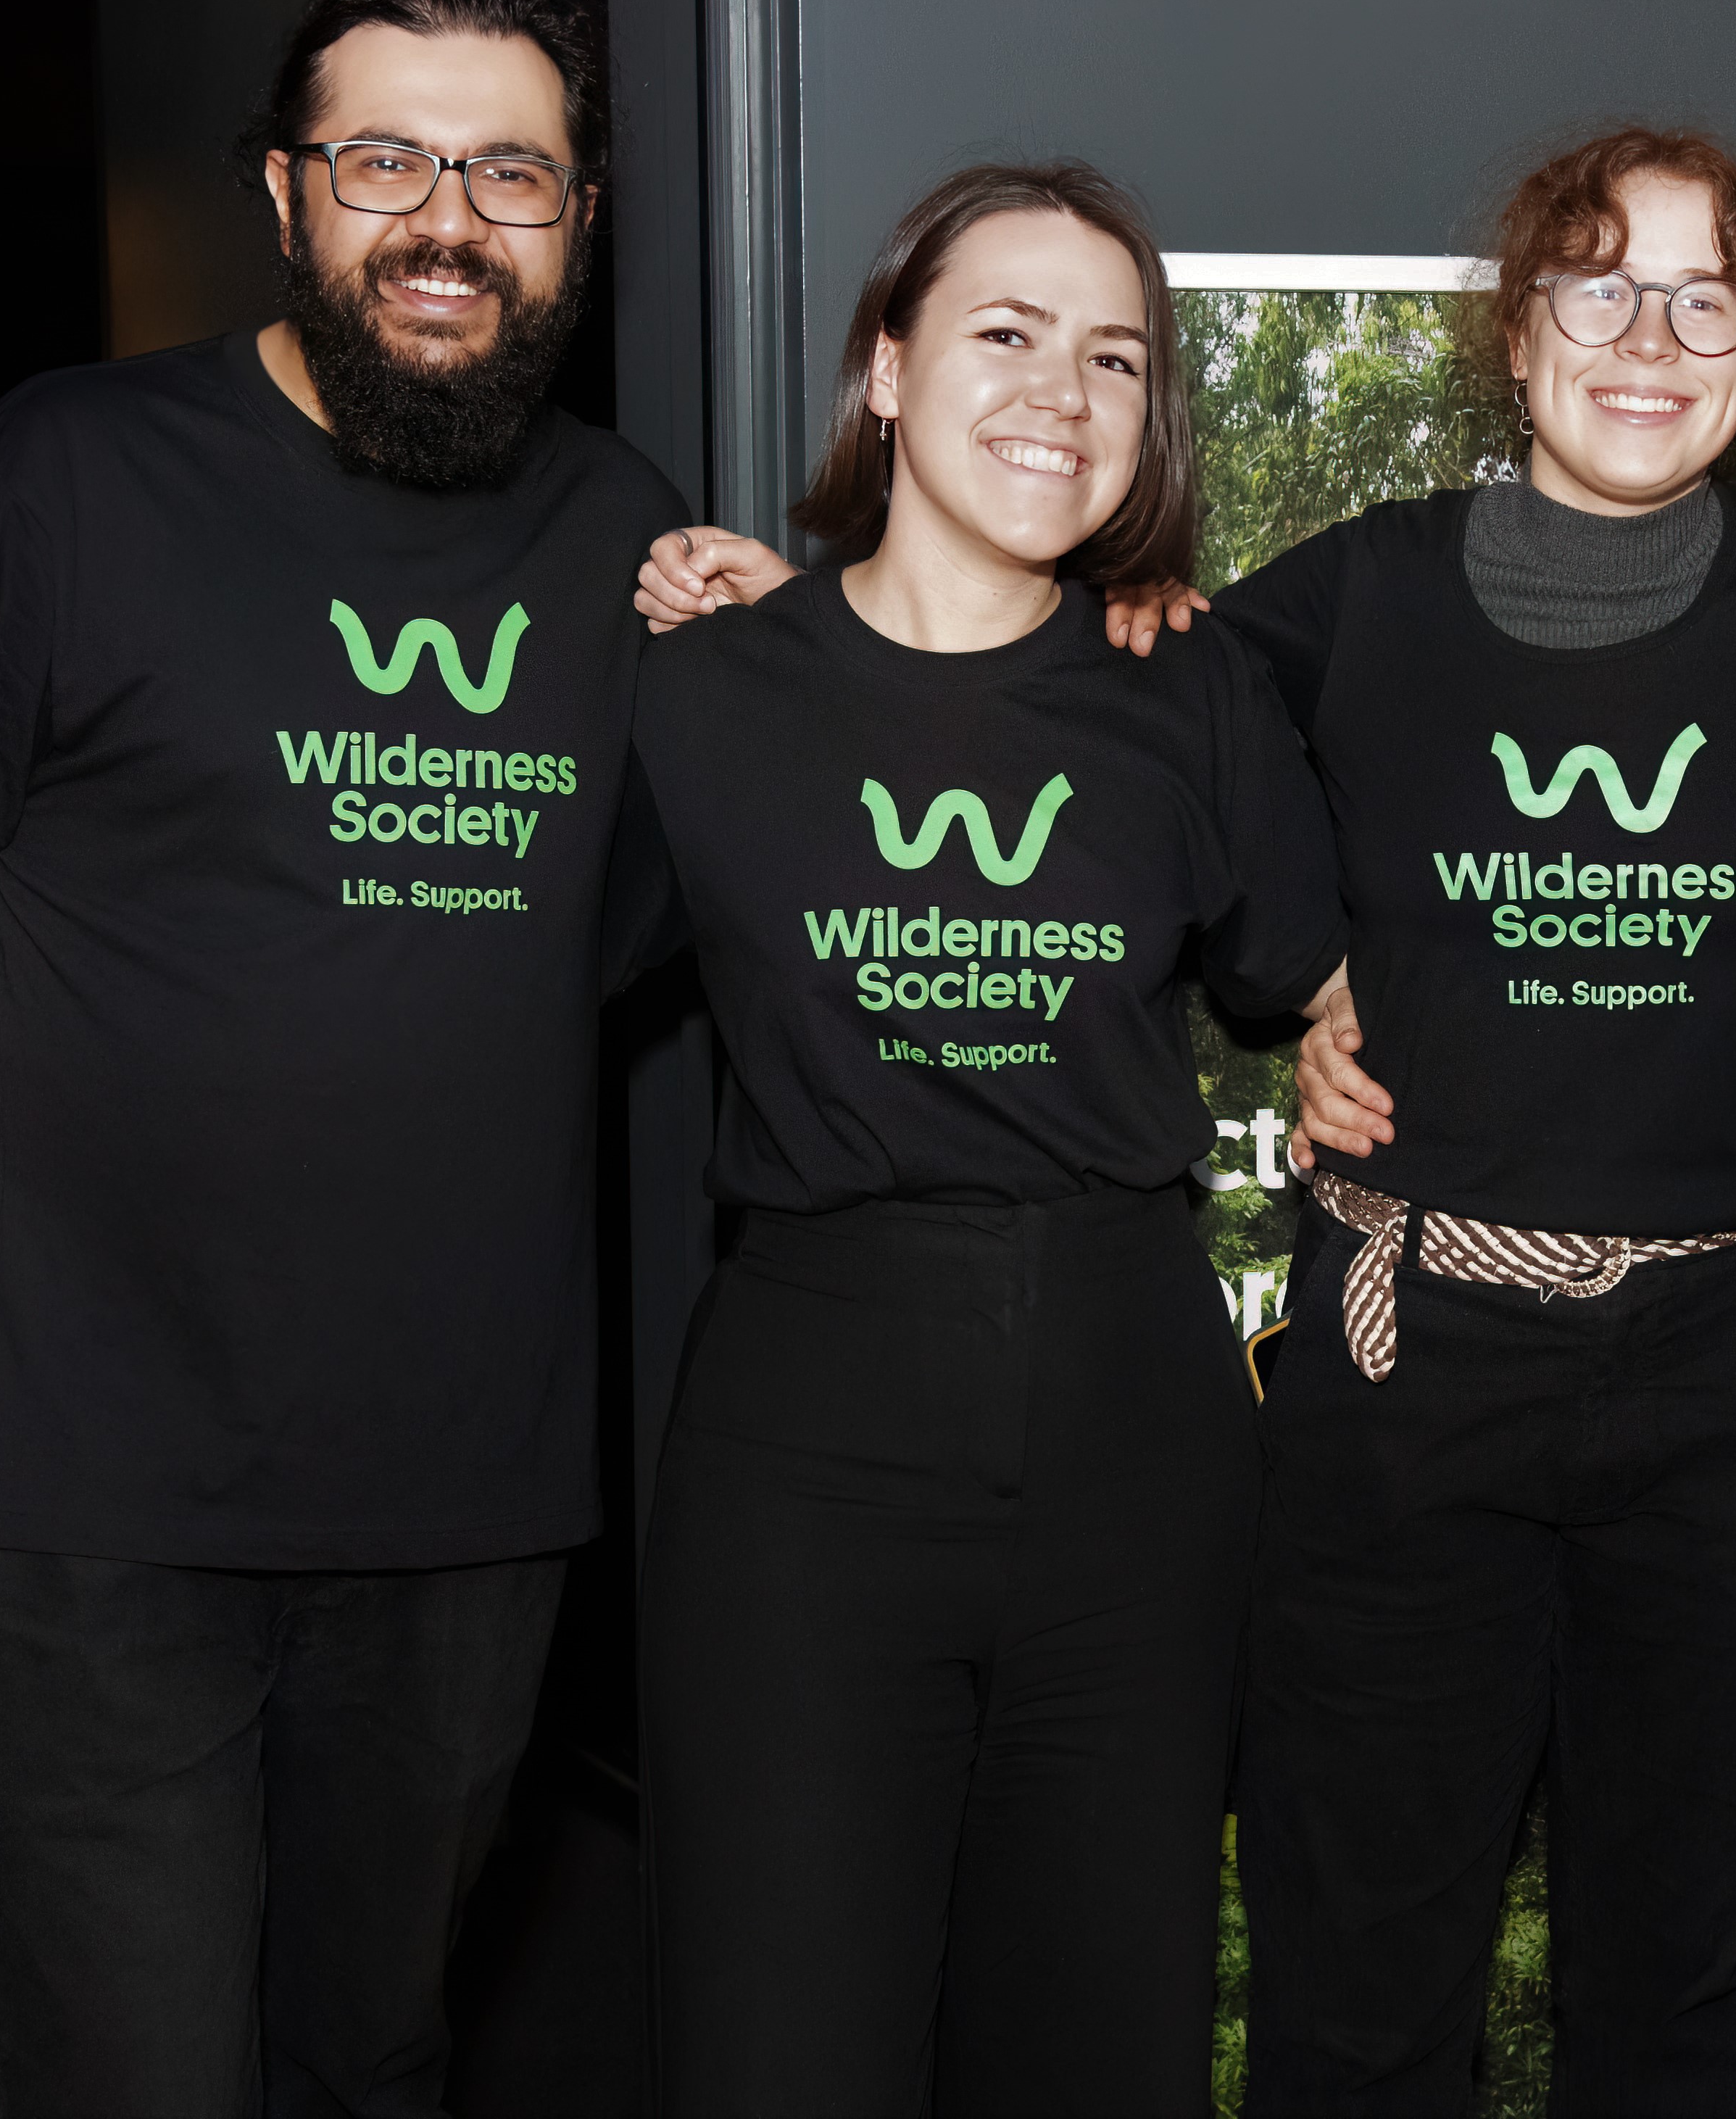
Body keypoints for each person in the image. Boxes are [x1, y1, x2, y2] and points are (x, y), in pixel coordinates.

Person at [641, 125, 1736, 2112]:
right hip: (1410, 1371)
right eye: (1596, 284)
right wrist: (778, 599)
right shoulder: (1340, 607)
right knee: (1361, 1974)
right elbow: (1034, 649)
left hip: (1732, 1376)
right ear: (1521, 331)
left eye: (1701, 297)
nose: (1646, 337)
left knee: (1686, 1982)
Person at [0, 0, 686, 2113]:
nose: (445, 218)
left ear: (575, 220)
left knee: (369, 2052)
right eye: (385, 158)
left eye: (510, 172)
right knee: (135, 2074)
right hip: (91, 1483)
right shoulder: (65, 473)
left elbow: (846, 814)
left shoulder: (629, 545)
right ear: (287, 193)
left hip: (468, 1500)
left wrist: (1127, 614)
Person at [628, 164, 1347, 2115]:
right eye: (1006, 334)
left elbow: (1322, 982)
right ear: (887, 367)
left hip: (1137, 1425)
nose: (1065, 392)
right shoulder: (699, 695)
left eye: (1116, 357)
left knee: (1101, 2040)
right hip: (806, 1437)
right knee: (783, 2041)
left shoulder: (1186, 686)